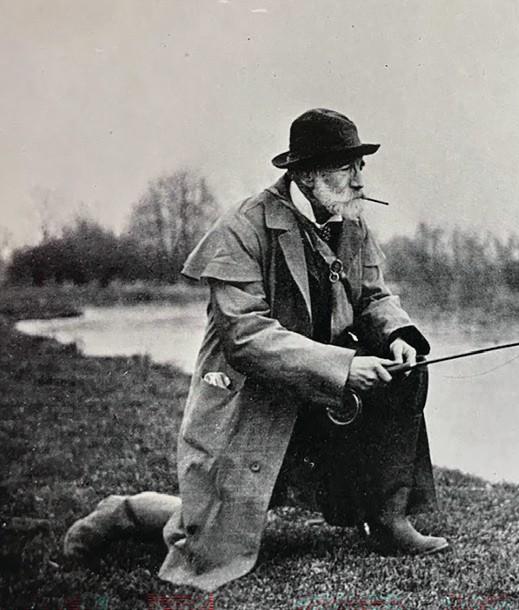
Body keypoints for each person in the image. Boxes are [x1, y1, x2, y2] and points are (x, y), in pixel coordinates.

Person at [63, 108, 448, 591]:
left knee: (406, 369)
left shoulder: (353, 222)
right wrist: (344, 366)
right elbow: (245, 336)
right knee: (209, 535)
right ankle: (124, 511)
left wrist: (397, 335)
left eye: (360, 166)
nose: (358, 178)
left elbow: (373, 295)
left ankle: (389, 519)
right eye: (345, 166)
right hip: (252, 402)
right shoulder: (243, 228)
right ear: (307, 174)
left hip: (322, 395)